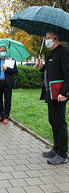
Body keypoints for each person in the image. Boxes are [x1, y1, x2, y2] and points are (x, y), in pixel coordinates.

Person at [36, 31, 69, 165]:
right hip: (50, 94)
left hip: (59, 95)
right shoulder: (53, 53)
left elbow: (67, 74)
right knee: (53, 121)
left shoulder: (63, 52)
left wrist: (65, 93)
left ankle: (62, 154)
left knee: (60, 123)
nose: (46, 40)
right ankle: (56, 148)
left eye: (48, 38)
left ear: (56, 39)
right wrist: (42, 66)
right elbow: (50, 73)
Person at [0, 46, 17, 124]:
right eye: (1, 50)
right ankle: (0, 116)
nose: (2, 51)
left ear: (6, 51)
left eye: (4, 50)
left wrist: (7, 69)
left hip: (7, 84)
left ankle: (6, 117)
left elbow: (15, 71)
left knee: (7, 101)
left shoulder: (11, 60)